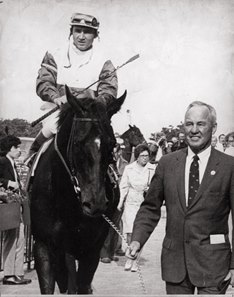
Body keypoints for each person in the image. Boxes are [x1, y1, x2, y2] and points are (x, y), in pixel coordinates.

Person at [127, 101, 234, 294]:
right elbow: (150, 207)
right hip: (175, 264)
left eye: (200, 124)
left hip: (214, 266)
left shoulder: (229, 166)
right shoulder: (167, 163)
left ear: (214, 127)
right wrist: (137, 239)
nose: (194, 130)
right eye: (189, 124)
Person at [24, 12, 118, 163]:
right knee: (53, 128)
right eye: (77, 31)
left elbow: (109, 90)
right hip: (58, 110)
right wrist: (56, 97)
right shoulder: (54, 54)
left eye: (87, 32)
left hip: (88, 114)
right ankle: (32, 160)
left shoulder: (105, 61)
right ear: (71, 32)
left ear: (95, 35)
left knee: (104, 141)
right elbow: (44, 82)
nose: (81, 36)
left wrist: (95, 104)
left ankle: (111, 174)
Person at [117, 144, 156, 272]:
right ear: (137, 157)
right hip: (131, 201)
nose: (145, 158)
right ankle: (130, 258)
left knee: (140, 231)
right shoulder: (129, 168)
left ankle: (136, 260)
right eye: (142, 156)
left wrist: (150, 190)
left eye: (147, 156)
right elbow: (123, 187)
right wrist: (120, 203)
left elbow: (156, 186)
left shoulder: (152, 168)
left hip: (144, 202)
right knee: (129, 232)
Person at [0, 135, 31, 285]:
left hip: (16, 205)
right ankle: (8, 274)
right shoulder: (3, 161)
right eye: (17, 147)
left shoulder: (11, 163)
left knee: (20, 239)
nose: (19, 150)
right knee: (11, 239)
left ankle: (17, 273)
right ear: (11, 148)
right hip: (9, 207)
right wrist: (9, 183)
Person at [100, 143, 128, 263]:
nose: (116, 155)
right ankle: (104, 254)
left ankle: (111, 252)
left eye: (118, 152)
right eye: (114, 152)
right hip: (107, 201)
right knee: (106, 226)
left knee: (115, 226)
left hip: (118, 200)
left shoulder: (118, 165)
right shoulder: (105, 166)